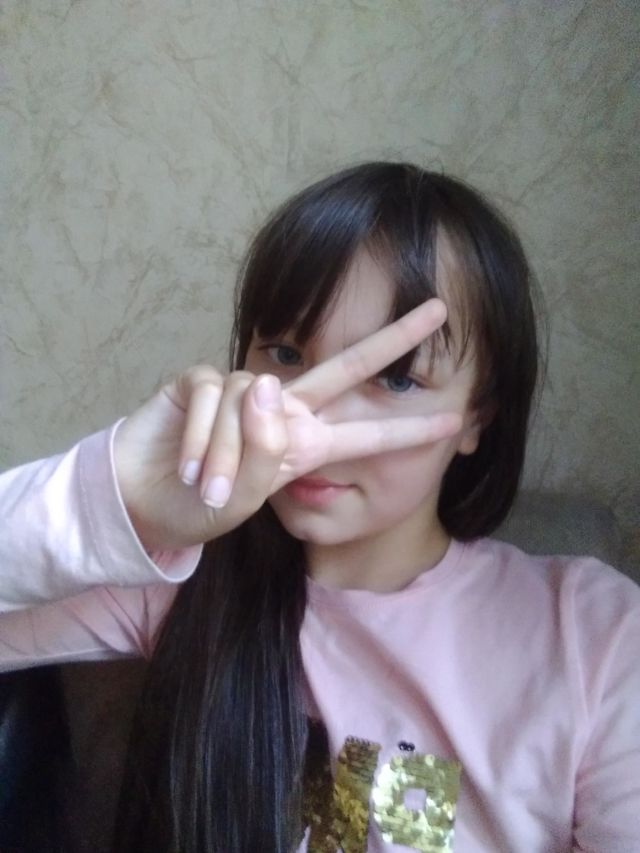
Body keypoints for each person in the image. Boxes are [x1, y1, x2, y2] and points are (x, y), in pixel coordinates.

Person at [0, 163, 638, 852]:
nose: (315, 424)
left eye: (397, 378)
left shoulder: (593, 636)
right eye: (285, 352)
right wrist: (107, 500)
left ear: (477, 415)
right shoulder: (175, 575)